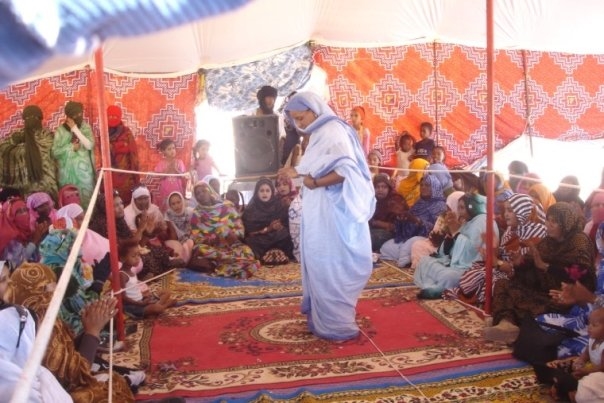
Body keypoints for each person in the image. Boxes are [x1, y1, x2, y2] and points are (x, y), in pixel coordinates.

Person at [277, 91, 375, 341]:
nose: (299, 124)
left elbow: (345, 171)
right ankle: (324, 319)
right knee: (319, 260)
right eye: (295, 120)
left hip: (333, 212)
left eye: (301, 118)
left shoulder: (332, 131)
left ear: (313, 109)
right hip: (321, 209)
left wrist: (315, 182)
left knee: (331, 262)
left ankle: (338, 324)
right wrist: (296, 172)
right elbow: (315, 169)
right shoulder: (320, 132)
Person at [6, 262, 136, 401]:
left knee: (113, 380)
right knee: (105, 391)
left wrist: (88, 327)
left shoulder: (44, 318)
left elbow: (69, 352)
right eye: (50, 288)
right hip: (53, 395)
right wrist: (93, 331)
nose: (56, 292)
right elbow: (75, 378)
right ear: (38, 293)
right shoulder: (36, 328)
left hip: (60, 388)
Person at [484, 202, 596, 344]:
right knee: (503, 284)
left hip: (564, 296)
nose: (548, 225)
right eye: (547, 220)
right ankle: (506, 324)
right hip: (541, 290)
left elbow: (582, 276)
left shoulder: (580, 241)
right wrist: (520, 263)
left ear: (566, 223)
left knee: (529, 302)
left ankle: (510, 324)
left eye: (554, 222)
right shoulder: (548, 241)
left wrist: (546, 267)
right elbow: (532, 262)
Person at [446, 193, 548, 306]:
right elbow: (501, 255)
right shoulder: (511, 230)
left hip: (522, 277)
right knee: (474, 273)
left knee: (494, 280)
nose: (506, 215)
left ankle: (485, 304)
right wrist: (492, 251)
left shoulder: (537, 233)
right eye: (505, 210)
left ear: (522, 211)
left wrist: (497, 262)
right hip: (504, 268)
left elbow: (522, 266)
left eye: (510, 210)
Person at [0, 260, 73, 402]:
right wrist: (92, 333)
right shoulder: (16, 323)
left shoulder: (27, 320)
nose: (11, 283)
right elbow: (71, 377)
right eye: (44, 290)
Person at [414, 193, 494, 299]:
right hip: (456, 264)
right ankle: (439, 286)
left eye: (462, 208)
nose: (459, 211)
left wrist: (456, 232)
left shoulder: (482, 222)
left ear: (472, 207)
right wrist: (450, 238)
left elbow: (472, 251)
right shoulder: (469, 222)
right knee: (425, 261)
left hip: (471, 268)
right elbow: (451, 250)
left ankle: (440, 287)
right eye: (458, 207)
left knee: (449, 277)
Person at [189, 181, 260, 278]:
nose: (201, 194)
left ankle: (223, 264)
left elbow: (240, 229)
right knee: (199, 249)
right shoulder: (196, 213)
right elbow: (196, 238)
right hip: (213, 248)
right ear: (196, 198)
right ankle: (238, 264)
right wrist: (211, 240)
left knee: (247, 251)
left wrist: (234, 235)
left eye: (203, 191)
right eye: (198, 193)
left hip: (231, 246)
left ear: (210, 191)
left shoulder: (227, 206)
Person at [550, 281, 604, 402]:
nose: (590, 327)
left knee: (589, 383)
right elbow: (585, 354)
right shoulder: (593, 338)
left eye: (593, 325)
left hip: (598, 373)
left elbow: (601, 368)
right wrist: (580, 361)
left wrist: (591, 298)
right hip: (593, 316)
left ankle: (576, 392)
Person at [380, 174, 447, 267]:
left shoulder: (440, 206)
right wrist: (402, 218)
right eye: (422, 185)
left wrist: (417, 221)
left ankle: (407, 261)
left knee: (411, 244)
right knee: (386, 248)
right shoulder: (419, 202)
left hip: (427, 238)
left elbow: (437, 229)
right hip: (412, 235)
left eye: (427, 185)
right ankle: (408, 258)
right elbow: (409, 218)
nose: (423, 188)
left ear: (435, 187)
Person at [0, 105, 58, 201]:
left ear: (40, 119)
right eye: (27, 118)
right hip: (27, 184)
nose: (30, 120)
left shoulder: (47, 134)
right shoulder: (18, 134)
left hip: (47, 182)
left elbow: (42, 148)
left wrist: (21, 147)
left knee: (51, 208)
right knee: (32, 209)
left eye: (34, 117)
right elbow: (2, 148)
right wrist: (15, 141)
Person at [52, 101, 95, 209]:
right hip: (67, 176)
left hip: (85, 175)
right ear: (68, 117)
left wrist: (75, 129)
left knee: (87, 203)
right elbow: (55, 153)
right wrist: (70, 147)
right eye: (75, 115)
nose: (78, 117)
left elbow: (89, 145)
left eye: (80, 114)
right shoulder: (60, 131)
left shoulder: (85, 127)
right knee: (71, 205)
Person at [242, 177, 293, 265]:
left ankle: (273, 254)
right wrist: (268, 229)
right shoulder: (251, 209)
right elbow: (249, 233)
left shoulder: (278, 204)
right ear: (257, 193)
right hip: (260, 238)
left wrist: (280, 226)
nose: (265, 193)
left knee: (285, 234)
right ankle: (274, 254)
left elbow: (286, 223)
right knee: (250, 242)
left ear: (272, 192)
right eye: (261, 191)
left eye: (267, 191)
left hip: (276, 236)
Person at [119, 239, 175, 318]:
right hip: (133, 306)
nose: (137, 258)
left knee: (166, 292)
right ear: (122, 258)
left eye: (138, 255)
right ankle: (165, 305)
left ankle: (153, 307)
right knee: (157, 309)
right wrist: (140, 303)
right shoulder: (122, 275)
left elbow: (133, 290)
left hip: (141, 300)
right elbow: (123, 297)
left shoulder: (131, 271)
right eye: (133, 256)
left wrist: (143, 295)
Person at [107, 105, 140, 206]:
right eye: (110, 116)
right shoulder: (103, 132)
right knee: (111, 199)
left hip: (125, 172)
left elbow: (132, 150)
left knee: (126, 198)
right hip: (110, 172)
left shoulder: (126, 132)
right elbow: (101, 150)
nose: (112, 119)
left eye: (115, 116)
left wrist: (114, 147)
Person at [155, 139, 187, 212]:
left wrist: (176, 170)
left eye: (173, 148)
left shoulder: (179, 162)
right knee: (167, 212)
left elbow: (183, 176)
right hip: (166, 192)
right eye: (169, 149)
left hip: (177, 191)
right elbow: (160, 177)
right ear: (163, 152)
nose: (172, 151)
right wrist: (168, 169)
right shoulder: (161, 164)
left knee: (178, 210)